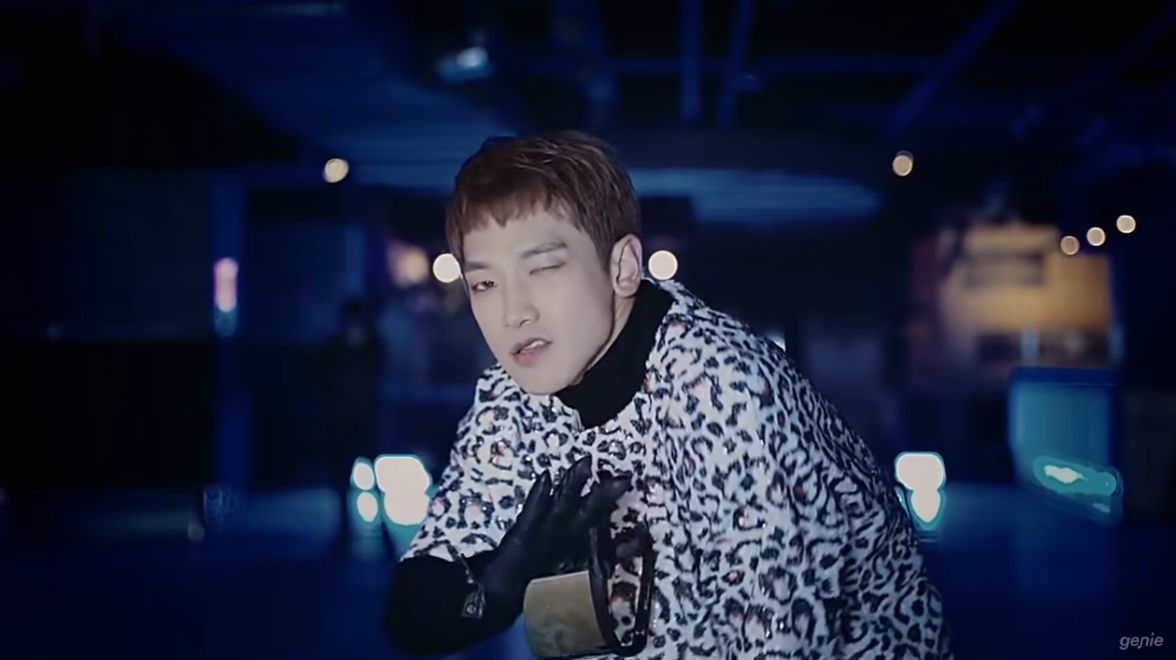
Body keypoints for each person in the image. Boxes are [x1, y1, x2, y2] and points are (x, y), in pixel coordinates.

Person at [383, 132, 953, 658]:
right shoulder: (513, 393)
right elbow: (411, 616)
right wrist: (499, 583)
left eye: (544, 268)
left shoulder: (724, 391)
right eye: (485, 283)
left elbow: (780, 641)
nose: (513, 312)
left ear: (622, 267)